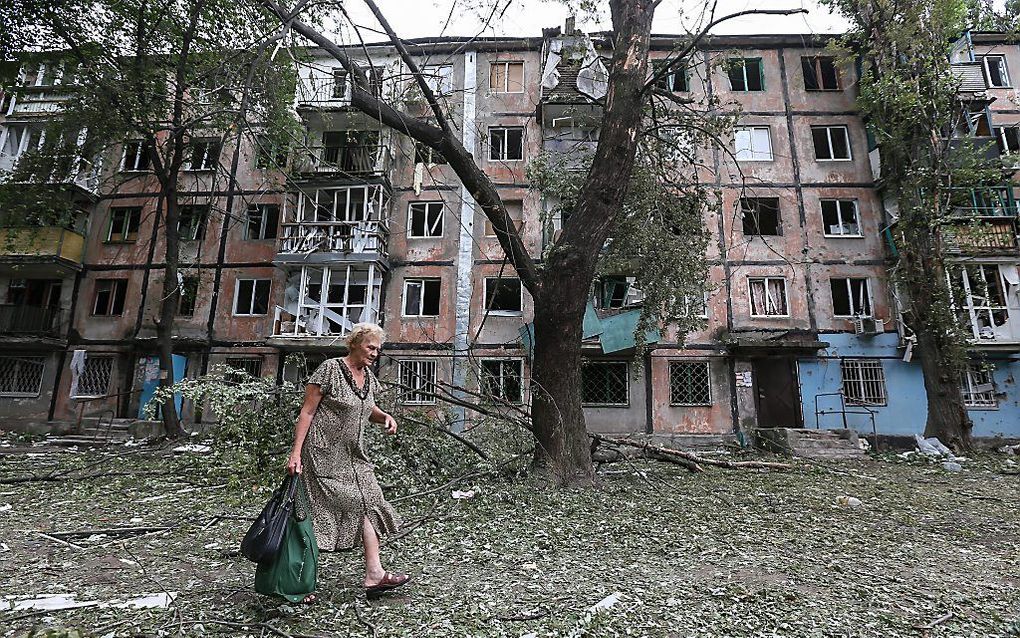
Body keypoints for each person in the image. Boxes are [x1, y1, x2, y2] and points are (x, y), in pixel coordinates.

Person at [286, 323, 410, 601]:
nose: (375, 353)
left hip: (355, 456)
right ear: (355, 343)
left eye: (378, 349)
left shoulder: (367, 376)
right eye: (371, 347)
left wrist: (385, 417)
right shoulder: (330, 369)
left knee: (372, 500)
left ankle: (375, 574)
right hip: (322, 454)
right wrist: (295, 453)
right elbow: (306, 412)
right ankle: (300, 584)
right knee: (317, 516)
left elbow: (368, 408)